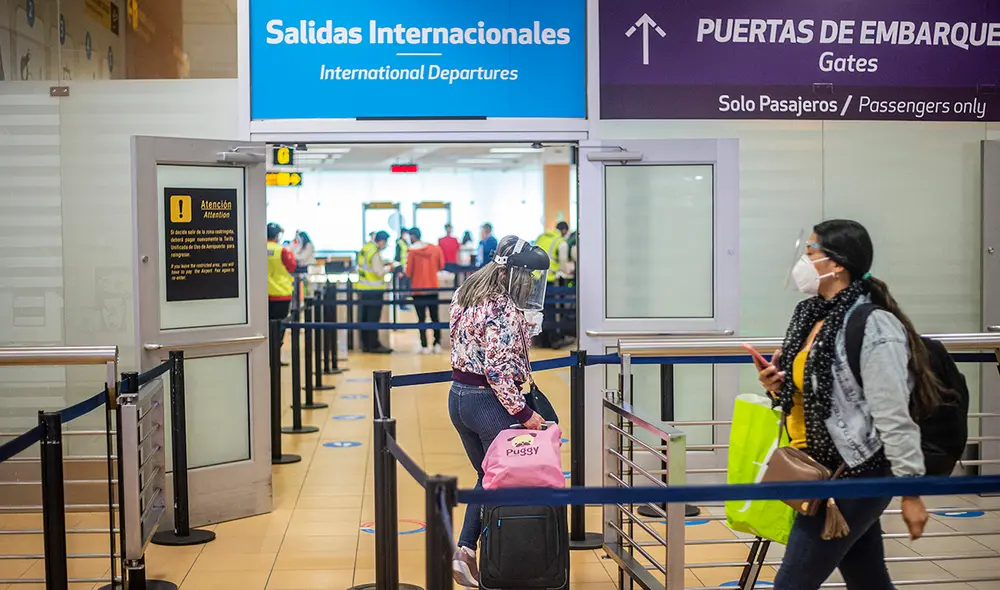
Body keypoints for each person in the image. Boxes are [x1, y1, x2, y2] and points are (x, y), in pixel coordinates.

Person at [756, 220, 932, 590]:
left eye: (811, 253)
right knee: (867, 579)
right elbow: (816, 393)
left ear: (837, 264)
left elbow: (893, 412)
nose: (803, 262)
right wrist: (777, 387)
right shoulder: (811, 316)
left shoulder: (873, 326)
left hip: (854, 474)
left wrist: (912, 491)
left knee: (791, 584)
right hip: (819, 467)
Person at [447, 235, 550, 587]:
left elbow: (471, 344)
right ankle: (469, 552)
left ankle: (472, 551)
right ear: (514, 276)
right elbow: (497, 370)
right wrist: (525, 414)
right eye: (529, 280)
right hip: (486, 402)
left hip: (458, 398)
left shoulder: (466, 293)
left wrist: (523, 332)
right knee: (495, 478)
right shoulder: (503, 309)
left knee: (484, 474)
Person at [406, 228, 445, 354]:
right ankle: (437, 343)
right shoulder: (436, 249)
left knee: (421, 319)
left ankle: (424, 346)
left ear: (412, 237)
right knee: (435, 317)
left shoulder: (412, 252)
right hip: (433, 286)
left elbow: (408, 272)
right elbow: (441, 266)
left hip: (418, 289)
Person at [534, 221, 573, 348]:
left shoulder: (542, 237)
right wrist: (566, 271)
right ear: (565, 231)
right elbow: (562, 263)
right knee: (550, 311)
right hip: (548, 279)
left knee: (537, 310)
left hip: (534, 278)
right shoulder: (560, 242)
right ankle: (554, 340)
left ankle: (540, 341)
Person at [357, 231, 393, 354]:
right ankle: (374, 345)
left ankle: (366, 345)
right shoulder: (375, 252)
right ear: (382, 241)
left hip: (363, 288)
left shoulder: (366, 248)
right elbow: (378, 272)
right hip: (374, 290)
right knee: (373, 319)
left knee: (365, 319)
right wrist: (389, 268)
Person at [266, 223, 297, 321]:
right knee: (279, 328)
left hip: (263, 294)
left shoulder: (256, 249)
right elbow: (292, 267)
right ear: (277, 236)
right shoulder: (283, 251)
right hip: (281, 294)